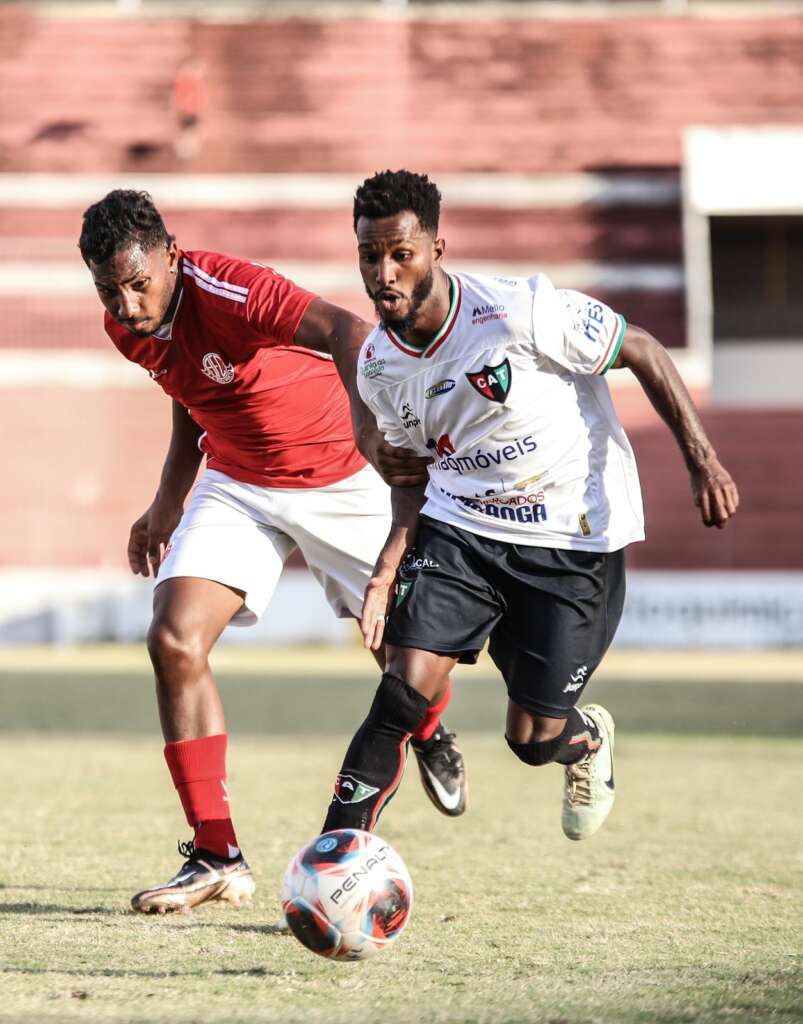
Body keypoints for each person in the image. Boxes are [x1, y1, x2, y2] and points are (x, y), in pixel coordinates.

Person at [78, 189, 468, 914]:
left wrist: (367, 432)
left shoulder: (232, 288)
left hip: (340, 474)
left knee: (401, 656)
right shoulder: (127, 324)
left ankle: (430, 730)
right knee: (173, 639)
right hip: (239, 482)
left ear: (171, 257)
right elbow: (190, 389)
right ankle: (215, 854)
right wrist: (168, 499)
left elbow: (348, 329)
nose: (126, 306)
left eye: (137, 284)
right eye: (109, 291)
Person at [320, 169, 739, 841]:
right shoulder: (378, 366)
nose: (384, 273)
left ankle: (586, 739)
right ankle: (334, 854)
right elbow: (411, 478)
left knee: (533, 739)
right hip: (460, 530)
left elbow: (641, 347)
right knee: (401, 689)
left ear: (436, 249)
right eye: (370, 256)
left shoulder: (520, 312)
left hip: (570, 540)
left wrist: (703, 460)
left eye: (401, 254)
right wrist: (387, 566)